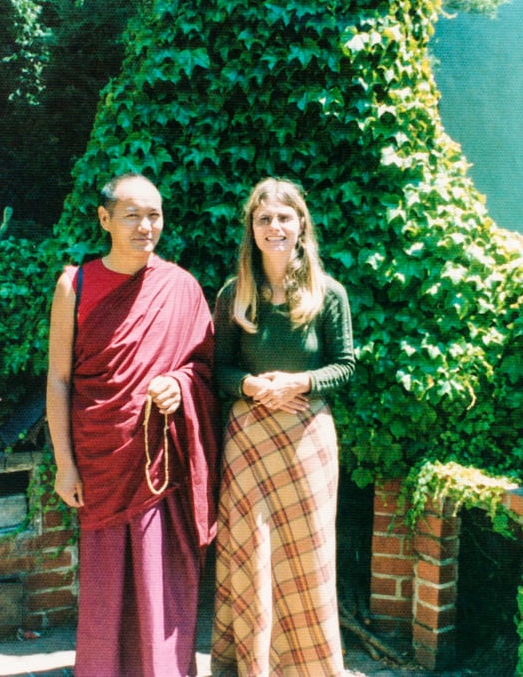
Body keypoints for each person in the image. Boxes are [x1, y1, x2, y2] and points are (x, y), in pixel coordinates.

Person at [46, 173, 218, 677]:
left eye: (155, 215)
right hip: (100, 462)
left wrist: (180, 385)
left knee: (162, 588)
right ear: (105, 219)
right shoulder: (74, 285)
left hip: (159, 467)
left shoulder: (182, 288)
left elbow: (206, 371)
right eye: (133, 215)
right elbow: (58, 380)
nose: (147, 226)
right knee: (106, 590)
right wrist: (64, 465)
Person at [211, 178, 356, 676]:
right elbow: (219, 370)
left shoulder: (328, 293)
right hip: (249, 443)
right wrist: (252, 387)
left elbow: (345, 365)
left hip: (306, 441)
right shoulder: (235, 293)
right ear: (251, 229)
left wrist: (299, 382)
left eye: (284, 217)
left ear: (301, 225)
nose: (274, 227)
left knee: (307, 558)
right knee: (250, 553)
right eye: (264, 218)